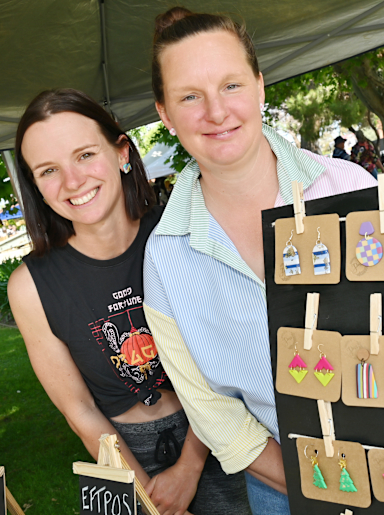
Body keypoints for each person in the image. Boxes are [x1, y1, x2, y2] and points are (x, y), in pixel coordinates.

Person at [142, 7, 377, 514]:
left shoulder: (351, 188)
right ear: (164, 114)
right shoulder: (164, 258)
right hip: (286, 486)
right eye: (189, 96)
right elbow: (212, 410)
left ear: (260, 86)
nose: (216, 112)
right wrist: (326, 492)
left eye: (231, 85)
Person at [9, 89, 251, 514]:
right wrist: (147, 496)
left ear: (122, 152)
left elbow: (231, 356)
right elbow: (81, 412)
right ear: (35, 186)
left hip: (221, 429)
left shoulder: (180, 229)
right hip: (122, 457)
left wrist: (190, 466)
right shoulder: (29, 286)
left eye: (85, 155)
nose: (72, 181)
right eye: (48, 170)